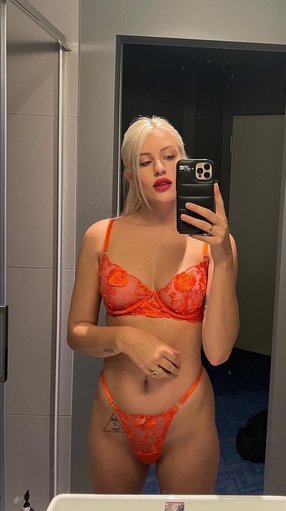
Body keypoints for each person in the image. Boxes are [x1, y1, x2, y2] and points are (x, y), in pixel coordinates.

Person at [67, 116, 239, 494]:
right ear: (131, 176)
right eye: (145, 162)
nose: (160, 168)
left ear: (185, 163)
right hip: (113, 416)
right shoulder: (100, 236)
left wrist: (223, 258)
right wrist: (126, 339)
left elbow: (218, 352)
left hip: (187, 418)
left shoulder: (215, 245)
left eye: (169, 157)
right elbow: (76, 334)